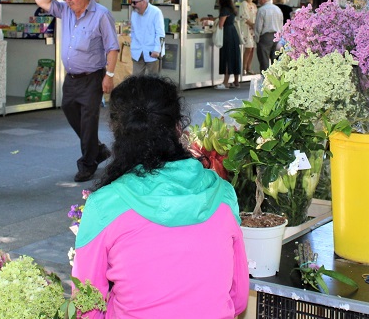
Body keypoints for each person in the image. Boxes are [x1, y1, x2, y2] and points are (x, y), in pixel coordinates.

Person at [72, 75, 249, 319]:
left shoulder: (104, 205)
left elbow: (86, 309)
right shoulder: (223, 194)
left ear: (118, 131)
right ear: (179, 127)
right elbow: (238, 298)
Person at [35, 0, 119, 183]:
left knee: (88, 120)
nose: (67, 0)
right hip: (71, 77)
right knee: (70, 110)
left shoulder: (101, 14)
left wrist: (109, 75)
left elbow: (112, 47)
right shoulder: (66, 10)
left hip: (92, 77)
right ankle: (97, 150)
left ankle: (87, 164)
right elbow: (40, 0)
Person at [129, 0, 164, 76]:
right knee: (136, 80)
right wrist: (133, 45)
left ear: (143, 2)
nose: (132, 5)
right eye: (131, 2)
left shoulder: (156, 12)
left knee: (153, 81)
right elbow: (133, 31)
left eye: (134, 2)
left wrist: (157, 50)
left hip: (152, 52)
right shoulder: (134, 13)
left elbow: (160, 33)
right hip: (138, 52)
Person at [214, 0, 241, 90]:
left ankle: (226, 82)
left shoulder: (224, 9)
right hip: (233, 33)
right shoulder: (232, 9)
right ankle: (236, 81)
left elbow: (221, 24)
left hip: (227, 35)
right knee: (235, 56)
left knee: (227, 57)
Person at [255, 0, 283, 71]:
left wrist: (257, 39)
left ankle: (265, 80)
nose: (258, 1)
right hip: (277, 36)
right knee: (276, 60)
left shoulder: (262, 10)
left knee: (264, 60)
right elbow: (281, 24)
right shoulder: (277, 9)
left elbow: (258, 26)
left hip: (265, 36)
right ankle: (276, 80)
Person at [237, 0, 257, 76]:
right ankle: (244, 68)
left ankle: (249, 67)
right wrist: (252, 25)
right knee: (248, 48)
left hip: (253, 29)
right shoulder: (244, 4)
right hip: (246, 28)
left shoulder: (254, 5)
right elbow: (244, 17)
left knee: (252, 48)